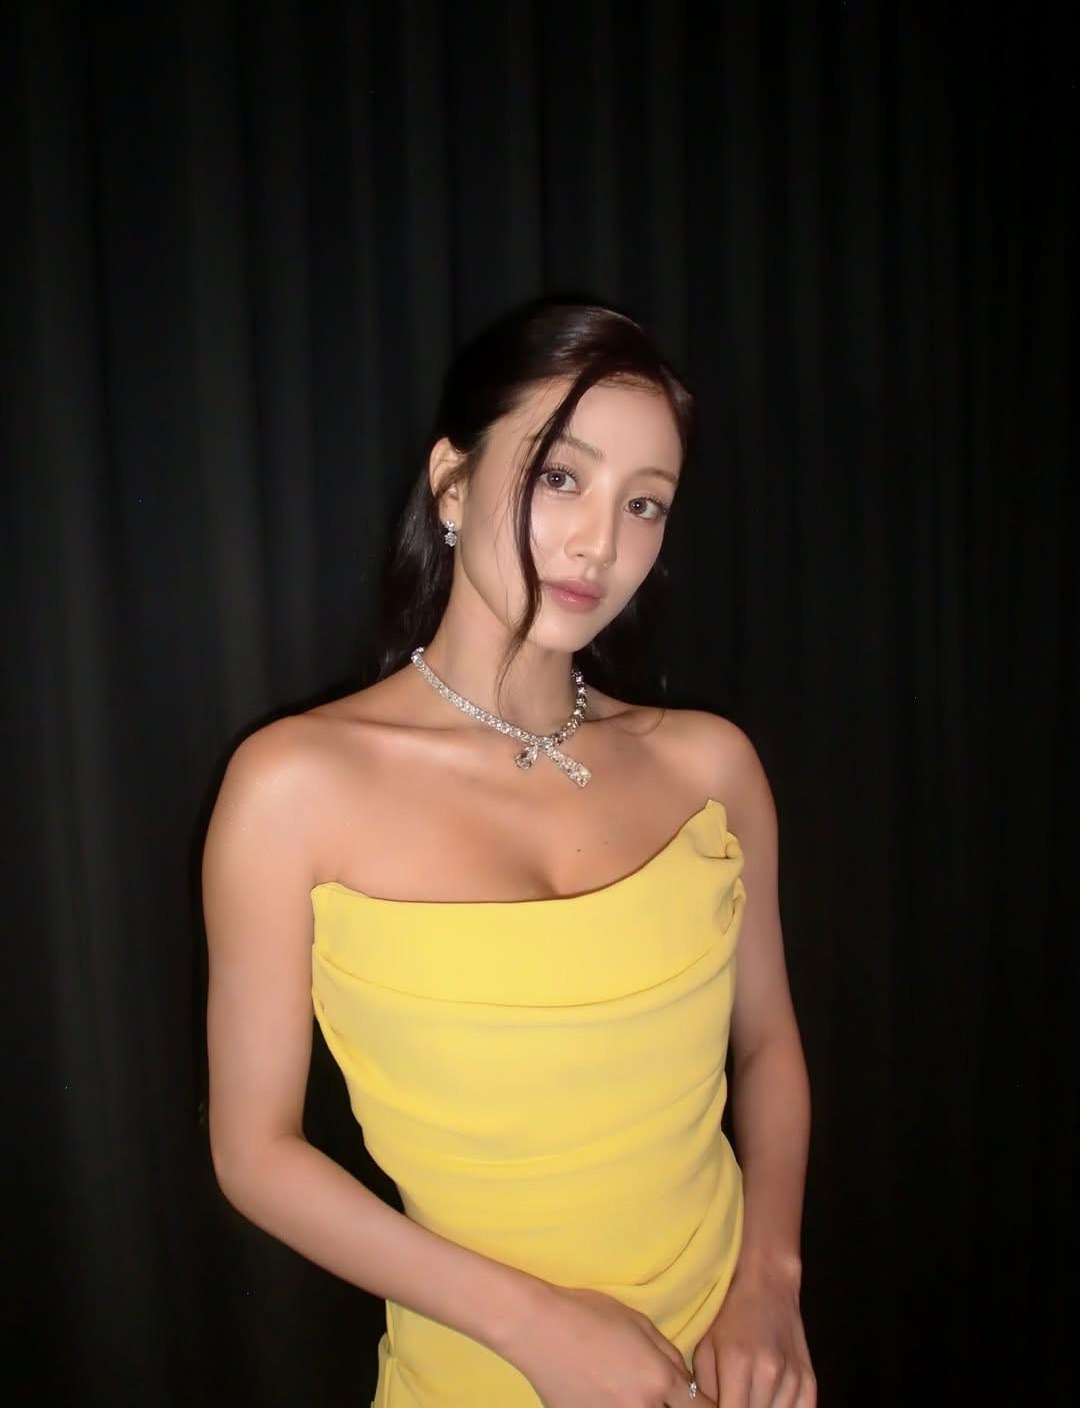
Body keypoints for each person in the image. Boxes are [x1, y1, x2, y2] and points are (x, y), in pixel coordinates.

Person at [202, 296, 815, 1408]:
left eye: (644, 503)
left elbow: (768, 1043)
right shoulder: (292, 788)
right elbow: (255, 1150)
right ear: (452, 481)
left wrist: (770, 1281)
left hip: (733, 1368)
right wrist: (534, 1326)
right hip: (477, 1374)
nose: (601, 543)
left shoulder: (710, 768)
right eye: (560, 476)